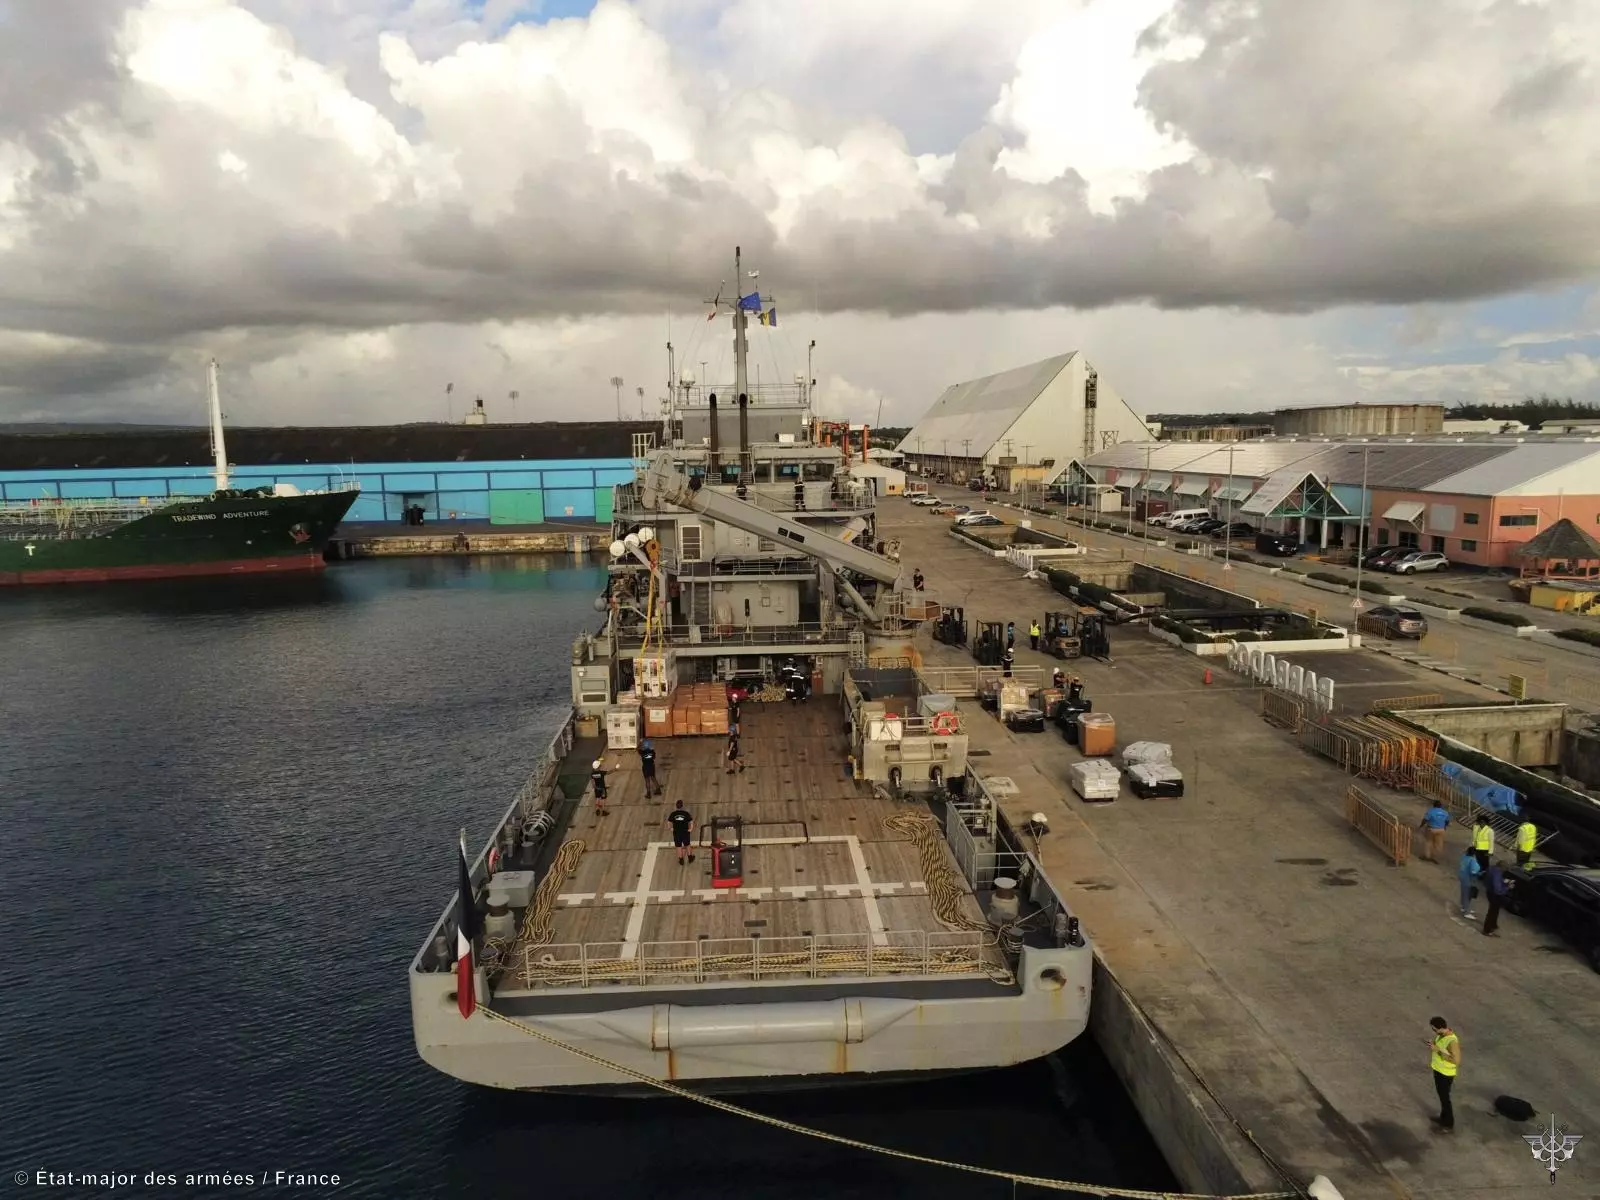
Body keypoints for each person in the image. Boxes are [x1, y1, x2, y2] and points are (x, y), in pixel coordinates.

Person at [1427, 1016, 1461, 1133]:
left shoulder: (1452, 1041)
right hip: (1439, 1070)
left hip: (1446, 1074)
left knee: (1445, 1099)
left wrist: (1437, 1051)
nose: (1433, 1031)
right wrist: (1433, 1045)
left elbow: (1456, 1060)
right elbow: (1440, 1048)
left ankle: (1449, 1124)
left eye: (1434, 1029)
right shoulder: (1441, 1035)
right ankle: (1443, 1118)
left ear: (1440, 1027)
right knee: (1442, 1097)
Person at [1482, 859, 1509, 937]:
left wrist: (1503, 881)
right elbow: (1498, 890)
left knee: (1495, 910)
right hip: (1494, 895)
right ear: (1502, 868)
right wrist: (1507, 887)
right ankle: (1487, 930)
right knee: (1492, 912)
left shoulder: (1491, 868)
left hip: (1489, 891)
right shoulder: (1497, 874)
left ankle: (1493, 924)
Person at [1456, 848, 1482, 919]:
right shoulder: (1472, 860)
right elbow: (1473, 871)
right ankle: (1466, 912)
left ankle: (1463, 906)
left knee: (1463, 893)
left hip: (1462, 877)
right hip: (1468, 879)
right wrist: (1479, 873)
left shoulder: (1464, 857)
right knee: (1467, 895)